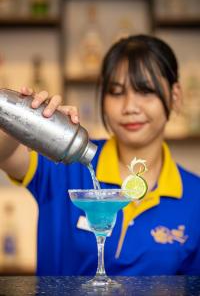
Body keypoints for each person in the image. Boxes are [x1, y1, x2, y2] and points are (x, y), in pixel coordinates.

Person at [0, 34, 200, 276]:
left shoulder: (194, 198)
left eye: (145, 91)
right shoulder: (64, 160)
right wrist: (22, 122)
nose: (130, 107)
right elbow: (4, 154)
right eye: (116, 92)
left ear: (175, 96)